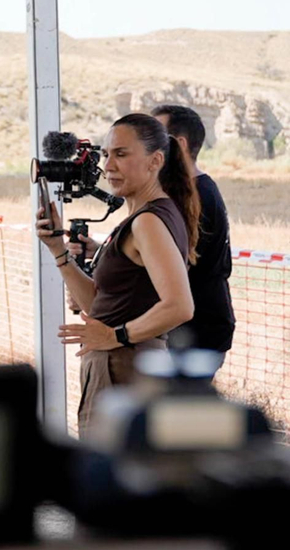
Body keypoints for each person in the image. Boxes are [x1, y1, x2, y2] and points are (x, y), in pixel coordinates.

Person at [36, 113, 197, 427]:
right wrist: (59, 251)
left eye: (122, 154)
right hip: (118, 363)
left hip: (125, 366)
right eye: (107, 154)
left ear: (155, 161)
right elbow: (96, 304)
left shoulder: (149, 221)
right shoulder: (141, 217)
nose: (108, 166)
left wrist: (116, 335)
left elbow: (180, 305)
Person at [152, 104, 234, 360]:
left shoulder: (197, 197)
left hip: (194, 336)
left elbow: (172, 266)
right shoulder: (192, 192)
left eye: (154, 137)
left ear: (179, 144)